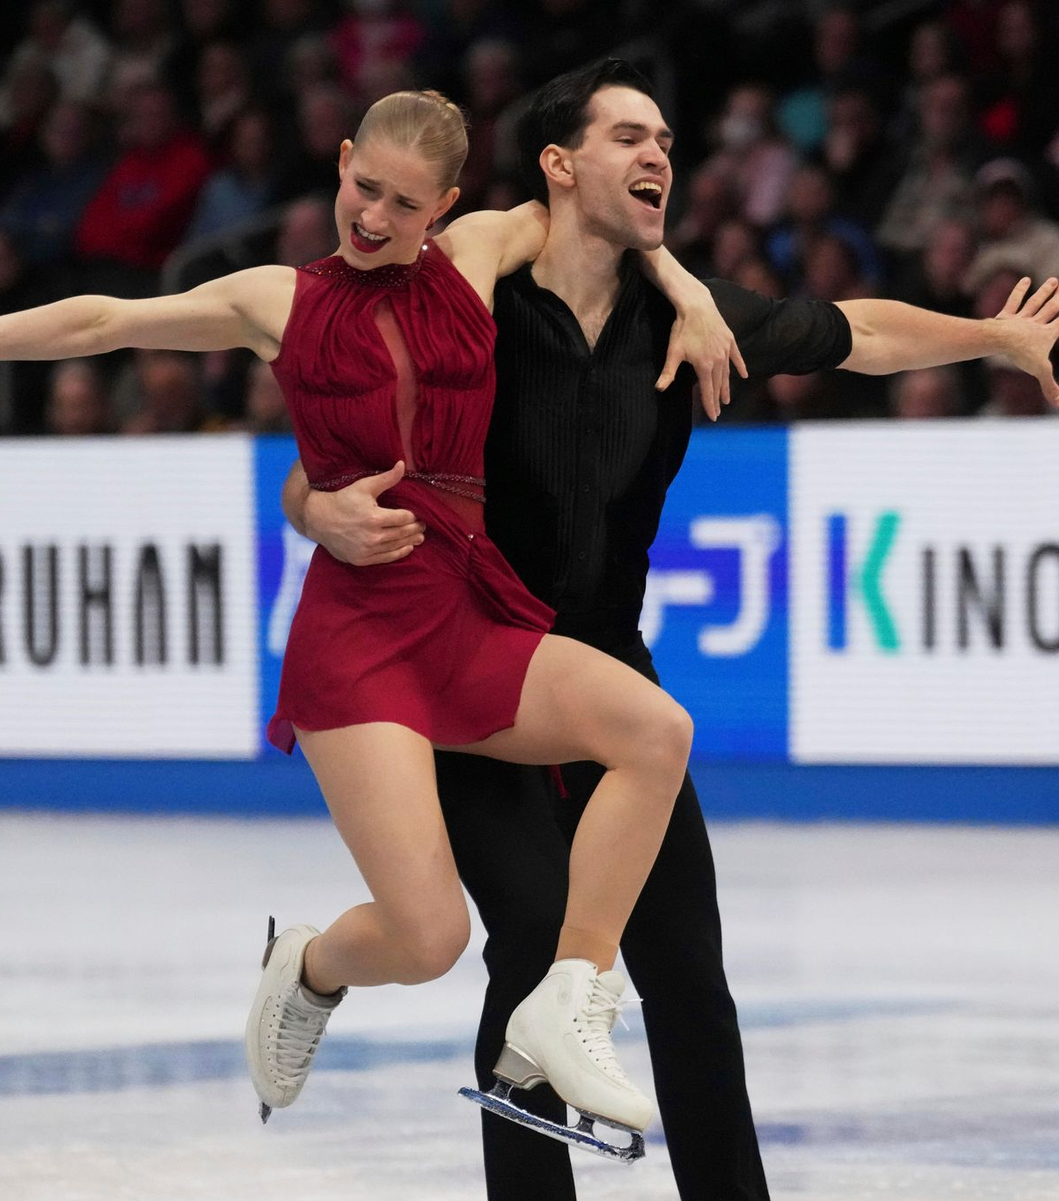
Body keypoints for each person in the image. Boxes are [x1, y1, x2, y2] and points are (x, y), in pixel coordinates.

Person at [285, 60, 1059, 1200]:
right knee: (532, 946)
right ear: (560, 165)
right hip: (477, 672)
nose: (658, 152)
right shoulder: (468, 298)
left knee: (689, 979)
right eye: (627, 137)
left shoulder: (688, 317)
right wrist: (315, 509)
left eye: (664, 137)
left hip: (607, 673)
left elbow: (857, 332)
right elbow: (329, 440)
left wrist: (989, 336)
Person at [0, 86, 733, 1158]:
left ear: (445, 207)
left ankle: (569, 996)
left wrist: (693, 293)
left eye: (405, 202)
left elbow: (609, 218)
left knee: (656, 731)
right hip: (360, 639)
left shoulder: (480, 253)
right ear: (342, 159)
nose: (375, 217)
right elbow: (107, 320)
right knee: (430, 937)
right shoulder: (279, 298)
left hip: (470, 610)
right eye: (364, 187)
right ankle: (307, 966)